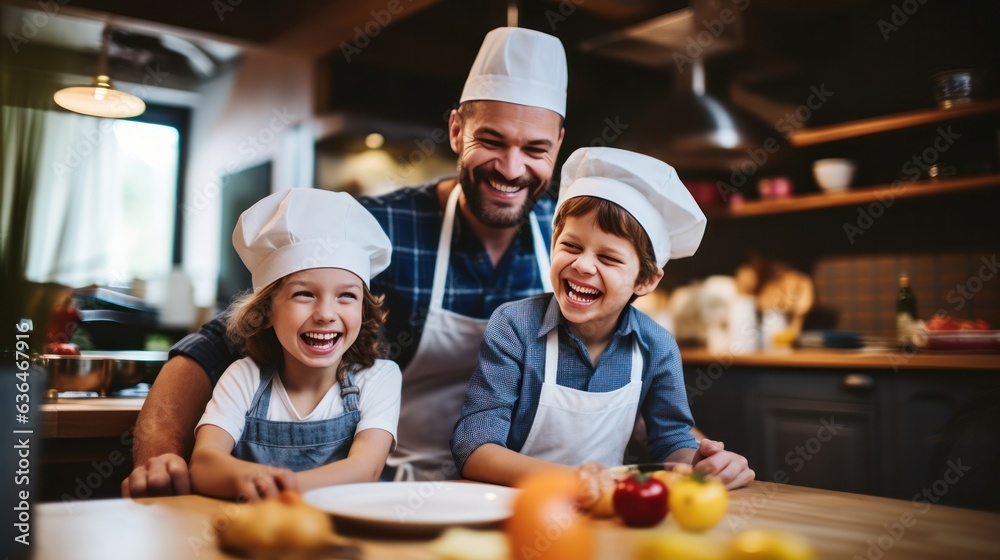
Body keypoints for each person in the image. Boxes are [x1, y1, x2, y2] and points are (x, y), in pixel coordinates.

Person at [123, 26, 568, 495]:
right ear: (457, 131)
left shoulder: (570, 244)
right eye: (492, 141)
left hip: (511, 489)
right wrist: (159, 459)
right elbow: (215, 345)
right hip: (380, 486)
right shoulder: (379, 226)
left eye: (535, 149)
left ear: (558, 144)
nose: (512, 167)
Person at [451, 147, 755, 489]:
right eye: (571, 246)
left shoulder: (656, 346)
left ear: (646, 280)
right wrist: (577, 481)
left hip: (605, 512)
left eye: (608, 258)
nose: (582, 265)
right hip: (516, 508)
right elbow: (474, 449)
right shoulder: (514, 327)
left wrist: (705, 465)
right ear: (553, 244)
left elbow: (671, 441)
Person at [188, 188, 401, 500]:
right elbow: (204, 464)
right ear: (267, 311)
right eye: (304, 294)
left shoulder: (379, 378)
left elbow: (364, 470)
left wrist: (276, 488)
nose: (326, 314)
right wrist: (262, 484)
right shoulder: (244, 377)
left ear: (363, 309)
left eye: (347, 296)